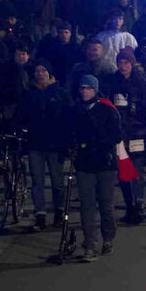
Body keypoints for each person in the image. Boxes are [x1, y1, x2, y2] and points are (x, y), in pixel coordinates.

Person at [15, 60, 72, 230]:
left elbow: (68, 118)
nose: (40, 74)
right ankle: (40, 214)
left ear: (49, 73)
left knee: (57, 181)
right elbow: (21, 116)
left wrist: (67, 141)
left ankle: (59, 211)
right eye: (37, 71)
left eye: (43, 70)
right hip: (35, 145)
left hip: (55, 145)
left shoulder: (60, 93)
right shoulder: (29, 94)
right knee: (37, 182)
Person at [70, 75, 122, 260]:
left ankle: (108, 237)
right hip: (84, 164)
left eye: (88, 88)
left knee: (106, 204)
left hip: (104, 163)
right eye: (82, 88)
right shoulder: (76, 110)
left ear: (95, 90)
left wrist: (96, 141)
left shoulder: (107, 110)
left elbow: (116, 135)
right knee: (87, 206)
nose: (85, 91)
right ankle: (90, 244)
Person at [101, 47, 146, 225]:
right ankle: (129, 205)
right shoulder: (111, 83)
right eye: (120, 62)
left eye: (126, 62)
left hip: (138, 134)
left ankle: (138, 203)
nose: (123, 66)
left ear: (132, 64)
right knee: (124, 172)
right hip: (119, 136)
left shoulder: (143, 84)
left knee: (137, 171)